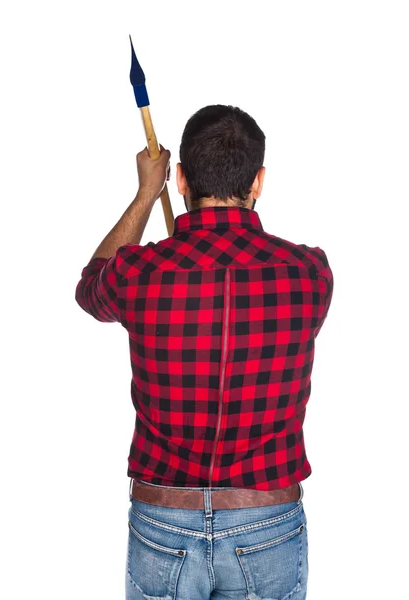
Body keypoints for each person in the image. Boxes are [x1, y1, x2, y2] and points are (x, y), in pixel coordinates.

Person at [75, 104, 334, 600]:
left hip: (163, 519)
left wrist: (145, 195)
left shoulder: (139, 273)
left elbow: (91, 286)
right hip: (268, 522)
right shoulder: (310, 274)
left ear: (180, 179)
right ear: (258, 181)